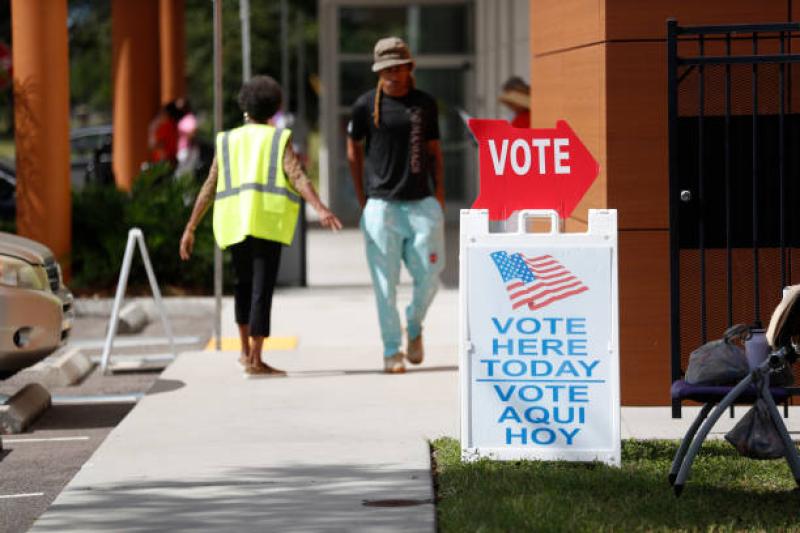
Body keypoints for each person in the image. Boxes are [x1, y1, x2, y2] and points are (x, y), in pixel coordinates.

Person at [180, 75, 342, 377]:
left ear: (244, 107)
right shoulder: (277, 138)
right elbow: (297, 175)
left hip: (233, 223)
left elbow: (209, 185)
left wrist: (190, 226)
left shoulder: (226, 140)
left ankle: (243, 352)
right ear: (274, 108)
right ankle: (256, 359)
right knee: (261, 290)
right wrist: (319, 207)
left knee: (242, 286)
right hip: (267, 223)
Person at [346, 36, 445, 374]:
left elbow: (434, 152)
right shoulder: (364, 106)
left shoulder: (424, 104)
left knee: (431, 274)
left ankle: (414, 324)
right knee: (384, 285)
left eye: (396, 66)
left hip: (421, 204)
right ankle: (392, 350)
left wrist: (440, 197)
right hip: (381, 208)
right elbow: (352, 150)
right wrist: (364, 200)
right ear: (379, 70)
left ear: (407, 67)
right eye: (385, 67)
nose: (391, 73)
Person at [175, 98, 199, 176]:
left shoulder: (190, 118)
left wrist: (185, 135)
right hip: (183, 149)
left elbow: (193, 133)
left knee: (183, 173)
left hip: (188, 149)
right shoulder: (182, 119)